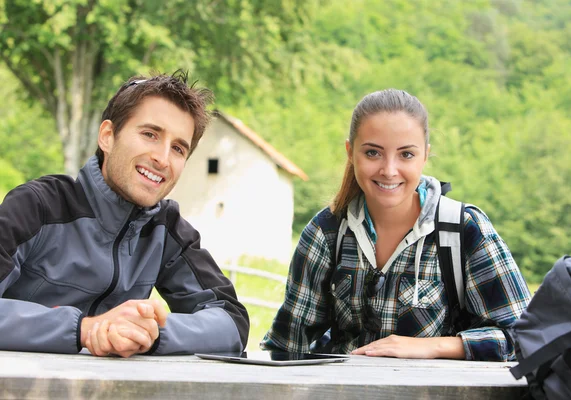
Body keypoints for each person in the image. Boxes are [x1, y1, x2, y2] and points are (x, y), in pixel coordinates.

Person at [262, 89, 531, 361]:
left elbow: (524, 336)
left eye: (406, 155)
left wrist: (432, 346)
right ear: (350, 152)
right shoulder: (327, 231)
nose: (389, 170)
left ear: (425, 156)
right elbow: (287, 345)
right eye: (372, 153)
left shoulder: (463, 230)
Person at [0, 71, 249, 357]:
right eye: (150, 134)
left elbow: (232, 323)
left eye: (178, 148)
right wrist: (86, 329)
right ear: (107, 136)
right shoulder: (38, 206)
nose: (162, 158)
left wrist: (149, 333)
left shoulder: (167, 229)